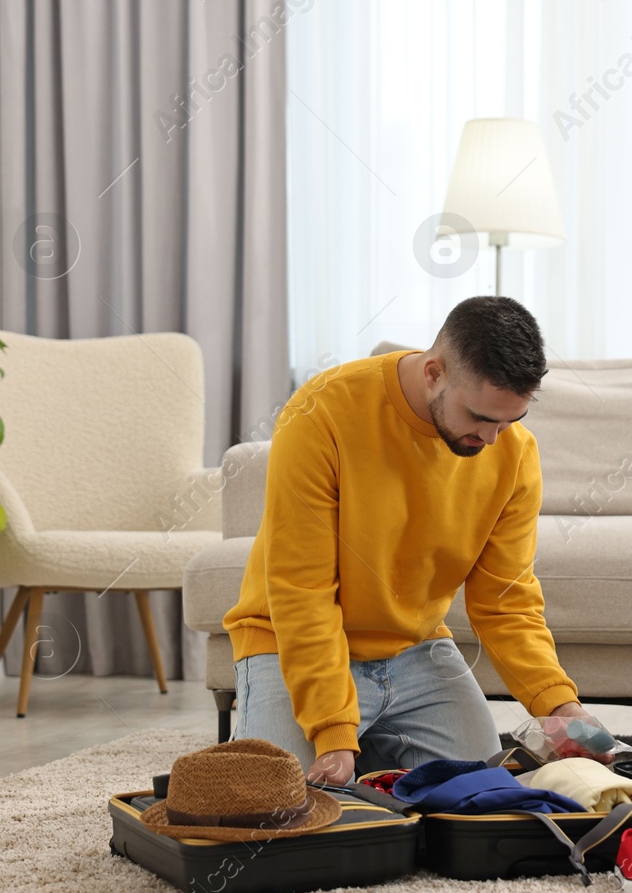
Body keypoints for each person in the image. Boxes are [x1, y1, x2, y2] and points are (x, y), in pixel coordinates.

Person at [223, 296, 591, 786]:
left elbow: (506, 602)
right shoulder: (323, 412)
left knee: (475, 798)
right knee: (280, 808)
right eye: (480, 417)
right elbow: (301, 589)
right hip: (287, 640)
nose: (494, 438)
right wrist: (333, 732)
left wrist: (563, 707)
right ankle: (354, 742)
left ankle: (374, 753)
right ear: (434, 373)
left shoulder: (514, 455)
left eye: (510, 421)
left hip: (414, 651)